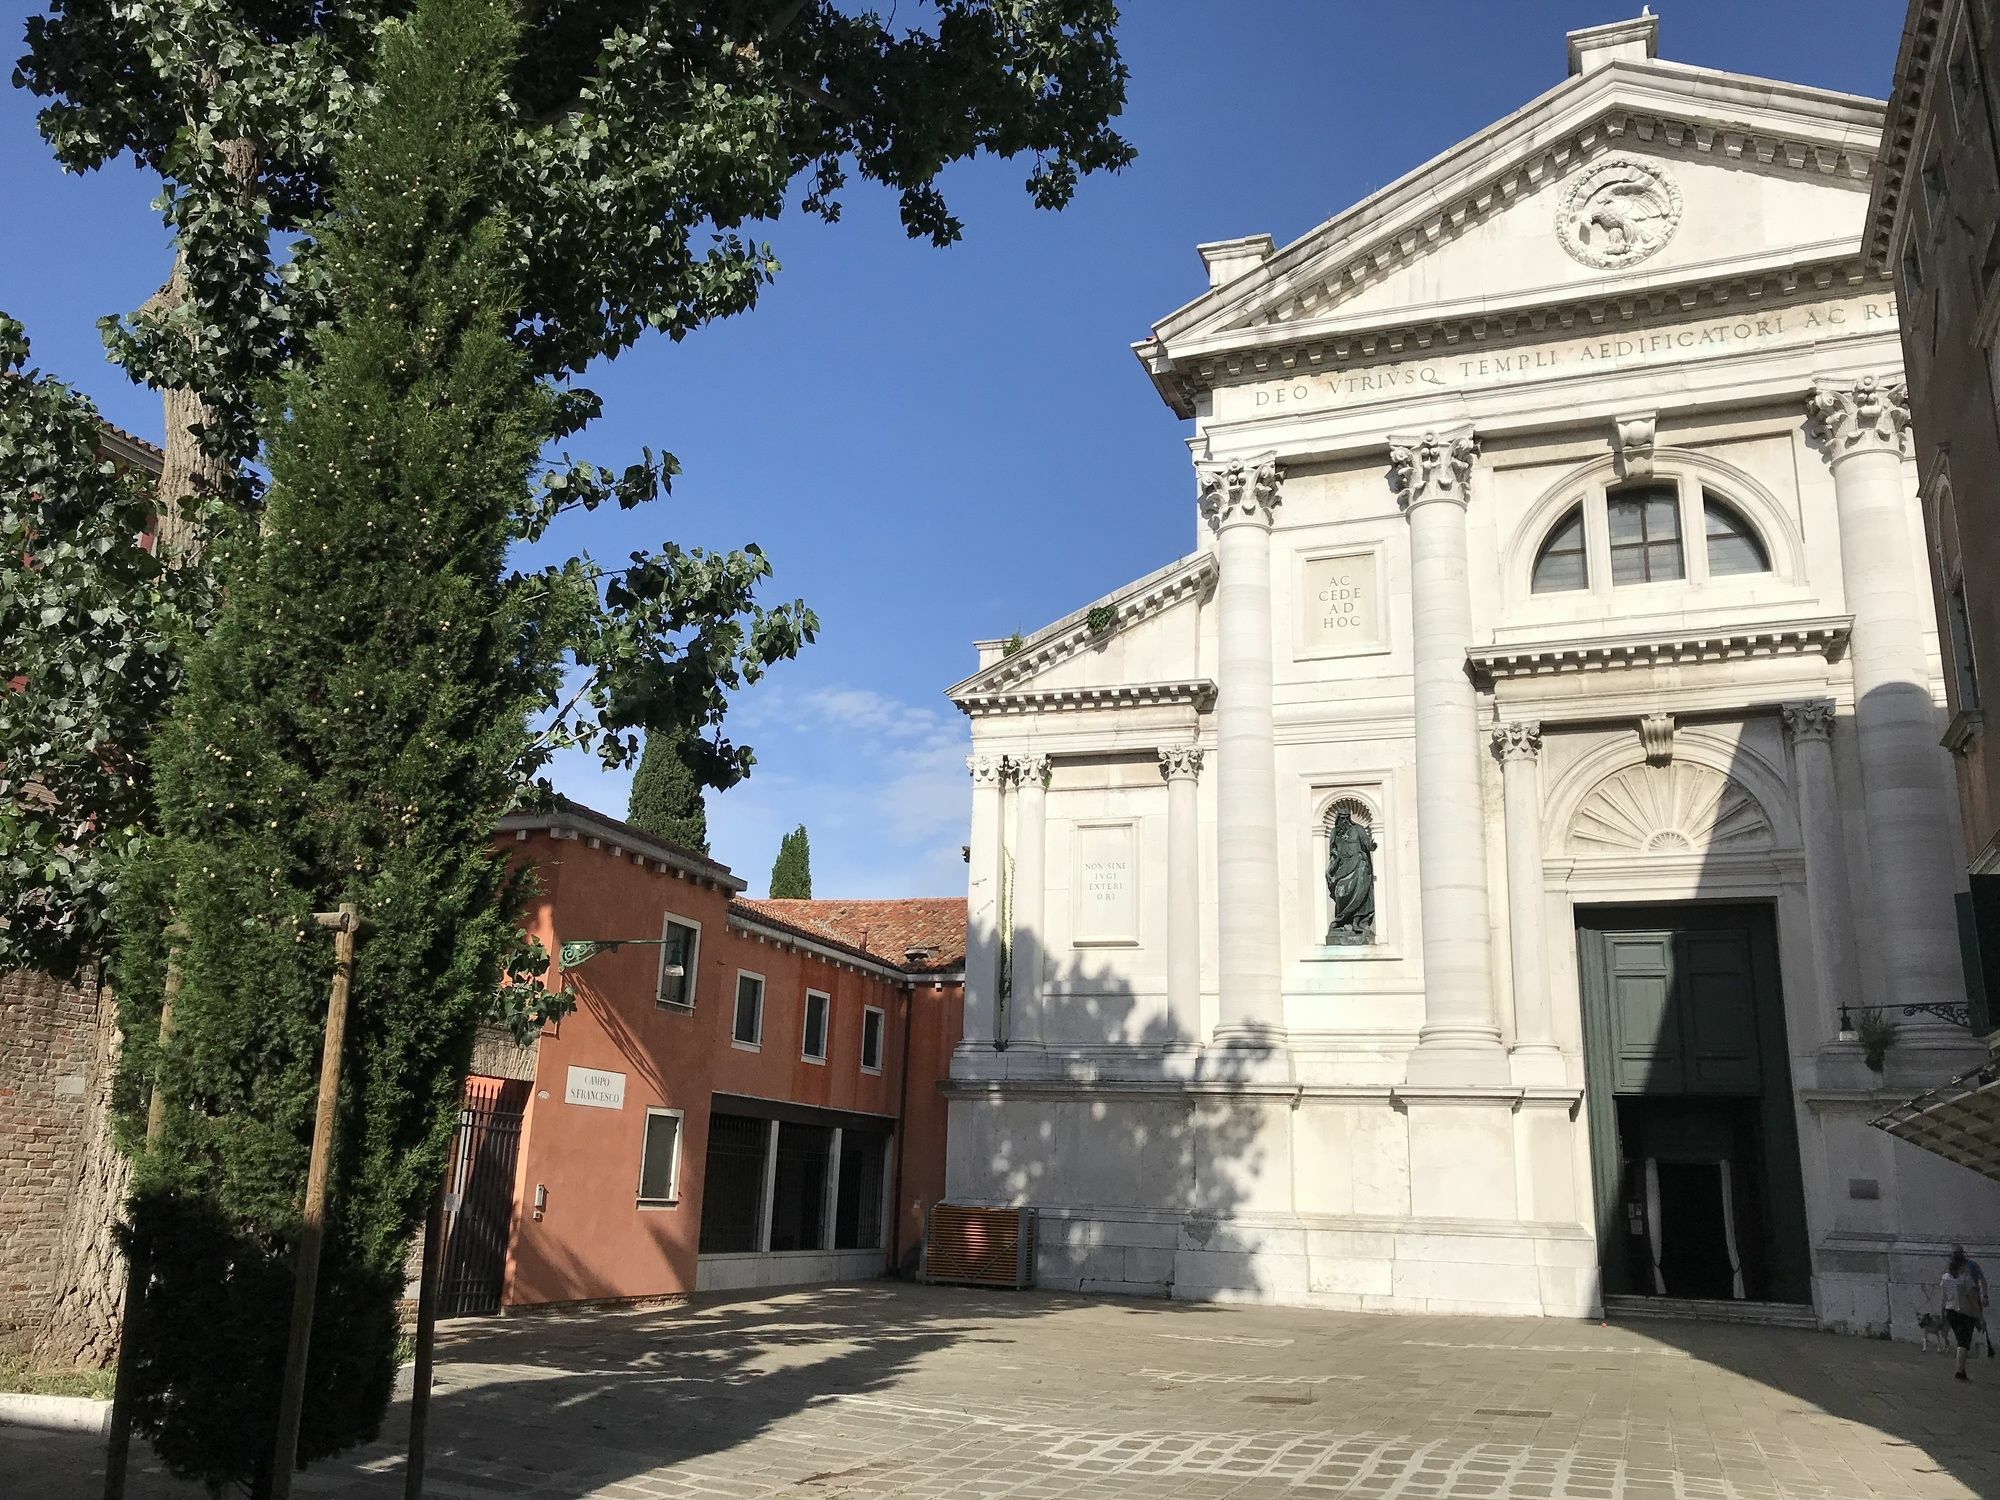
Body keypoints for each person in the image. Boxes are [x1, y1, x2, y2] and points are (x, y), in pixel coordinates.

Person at [1942, 1247, 1984, 1380]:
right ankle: (1959, 1371)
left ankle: (1962, 1369)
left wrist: (1942, 1313)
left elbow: (1943, 1298)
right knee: (1963, 1342)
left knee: (1961, 1339)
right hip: (1965, 1313)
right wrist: (1979, 1316)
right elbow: (1972, 1299)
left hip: (1951, 1312)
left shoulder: (1945, 1277)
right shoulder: (1966, 1279)